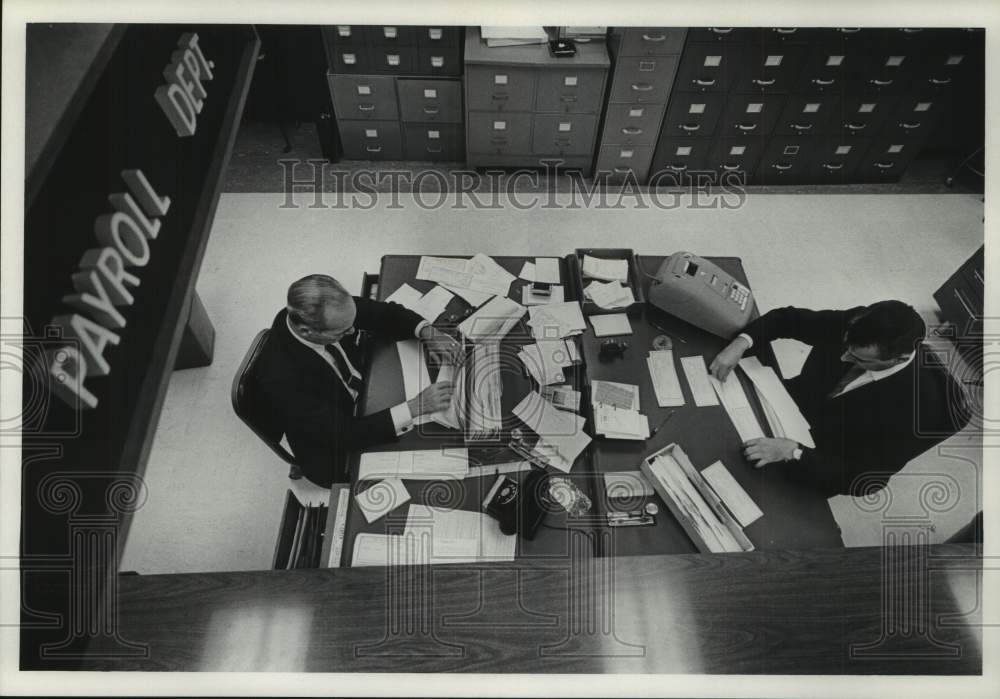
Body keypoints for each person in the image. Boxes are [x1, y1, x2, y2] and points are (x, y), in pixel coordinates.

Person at [709, 300, 970, 497]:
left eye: (858, 359)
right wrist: (741, 343)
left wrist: (794, 453)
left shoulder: (922, 409)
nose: (844, 358)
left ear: (898, 360)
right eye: (846, 348)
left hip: (814, 461)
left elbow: (868, 479)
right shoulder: (859, 325)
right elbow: (787, 319)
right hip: (782, 406)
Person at [255, 274, 460, 488]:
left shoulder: (320, 312)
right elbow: (342, 434)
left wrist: (428, 332)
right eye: (343, 331)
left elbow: (382, 313)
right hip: (335, 446)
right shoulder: (282, 378)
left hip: (364, 393)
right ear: (307, 331)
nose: (353, 330)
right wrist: (416, 407)